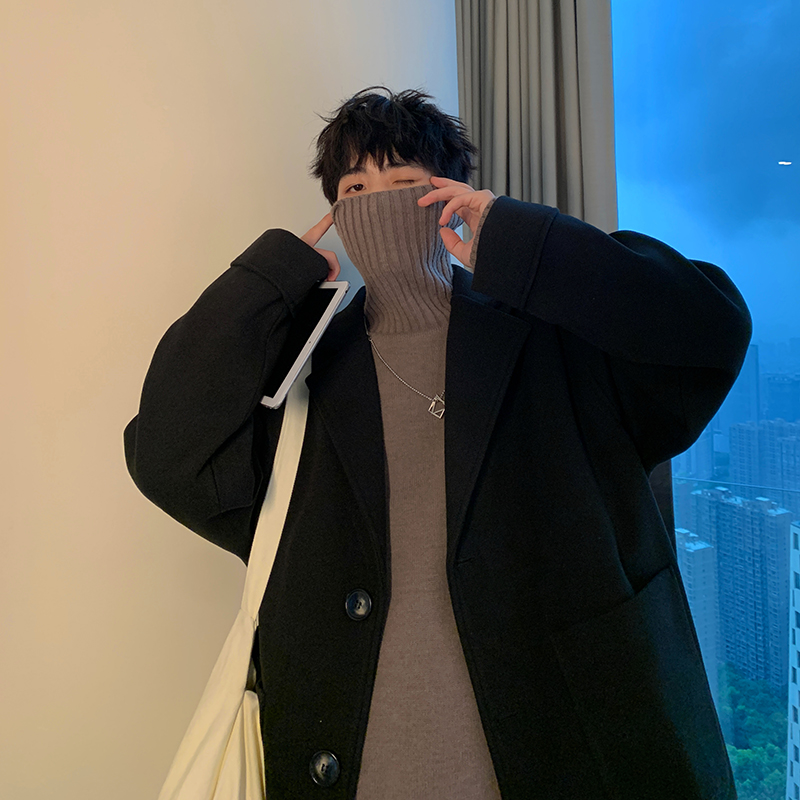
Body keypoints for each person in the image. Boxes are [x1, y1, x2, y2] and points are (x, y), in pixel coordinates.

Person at [124, 87, 751, 799]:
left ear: (453, 196)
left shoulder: (553, 338)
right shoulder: (302, 374)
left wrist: (519, 241)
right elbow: (166, 456)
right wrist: (270, 280)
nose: (379, 203)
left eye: (404, 181)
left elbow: (711, 333)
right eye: (354, 188)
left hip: (577, 751)